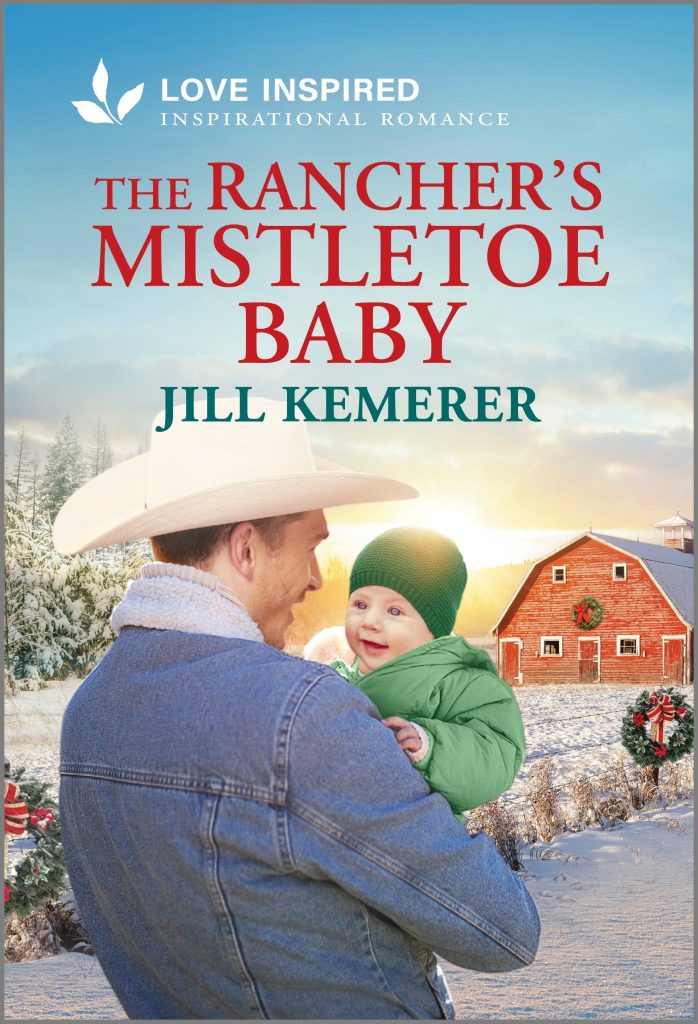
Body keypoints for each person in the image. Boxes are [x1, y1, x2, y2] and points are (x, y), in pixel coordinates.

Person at [55, 396, 540, 1020]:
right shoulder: (303, 715)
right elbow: (503, 930)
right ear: (246, 550)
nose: (317, 579)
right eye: (311, 547)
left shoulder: (91, 710)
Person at [328, 527, 526, 816]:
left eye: (394, 611)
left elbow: (496, 756)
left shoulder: (460, 683)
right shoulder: (336, 678)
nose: (370, 621)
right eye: (360, 604)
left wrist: (428, 745)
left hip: (413, 842)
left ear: (433, 629)